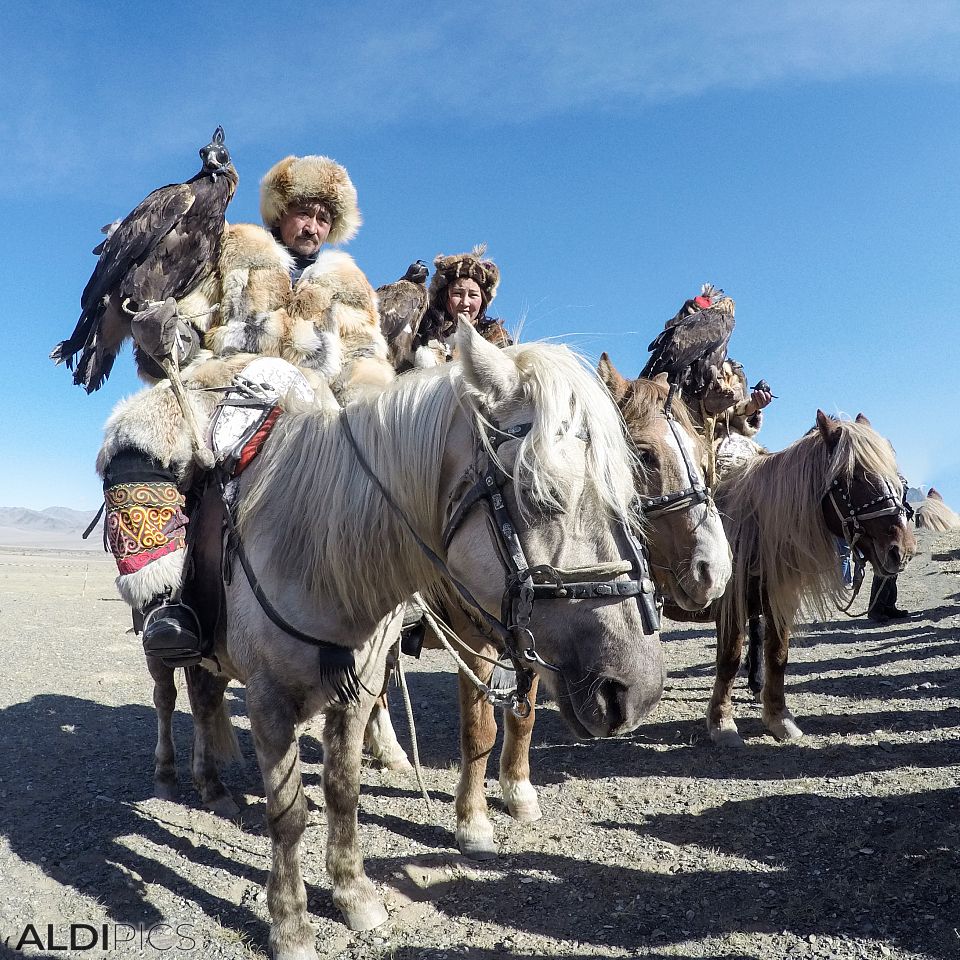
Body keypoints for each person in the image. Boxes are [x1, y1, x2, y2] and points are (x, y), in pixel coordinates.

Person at [97, 154, 392, 666]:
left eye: (324, 218)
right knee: (133, 435)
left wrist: (370, 407)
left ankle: (392, 604)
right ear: (280, 211)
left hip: (313, 408)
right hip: (224, 386)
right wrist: (167, 333)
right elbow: (193, 318)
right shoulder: (230, 249)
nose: (313, 226)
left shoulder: (351, 285)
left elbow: (367, 358)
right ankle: (164, 605)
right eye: (304, 212)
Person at [411, 245, 512, 365]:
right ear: (445, 297)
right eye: (457, 294)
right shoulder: (417, 332)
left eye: (473, 295)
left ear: (483, 301)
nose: (465, 302)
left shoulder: (497, 340)